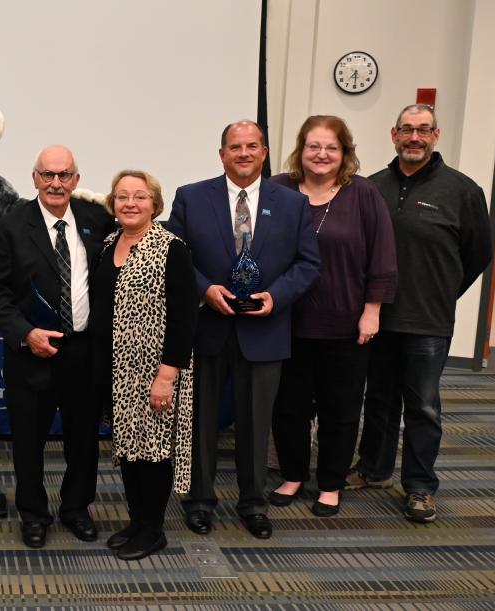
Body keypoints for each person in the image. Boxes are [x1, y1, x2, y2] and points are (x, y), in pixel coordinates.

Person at [167, 120, 320, 540]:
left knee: (256, 424)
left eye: (253, 146)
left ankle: (253, 503)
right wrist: (204, 289)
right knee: (199, 421)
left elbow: (308, 264)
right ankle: (199, 501)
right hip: (208, 327)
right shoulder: (191, 197)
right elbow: (175, 258)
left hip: (265, 328)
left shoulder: (292, 203)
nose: (244, 153)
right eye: (235, 147)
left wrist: (278, 297)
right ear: (222, 154)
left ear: (265, 152)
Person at [347, 104, 494, 523]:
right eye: (407, 130)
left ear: (436, 135)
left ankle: (420, 486)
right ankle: (373, 469)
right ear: (393, 135)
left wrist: (445, 291)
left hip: (428, 320)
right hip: (377, 316)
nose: (415, 137)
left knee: (423, 405)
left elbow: (478, 253)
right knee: (377, 398)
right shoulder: (370, 187)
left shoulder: (462, 190)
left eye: (423, 130)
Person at [0, 145, 115, 549]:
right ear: (35, 178)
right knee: (28, 442)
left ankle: (76, 509)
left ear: (76, 179)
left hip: (84, 351)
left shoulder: (97, 220)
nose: (56, 183)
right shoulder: (10, 226)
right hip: (33, 351)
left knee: (83, 440)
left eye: (64, 175)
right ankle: (34, 514)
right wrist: (26, 333)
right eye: (47, 174)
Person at [268, 116, 398, 517]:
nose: (321, 155)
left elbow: (382, 254)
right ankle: (292, 475)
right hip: (285, 322)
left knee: (339, 409)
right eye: (313, 146)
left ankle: (330, 483)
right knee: (288, 406)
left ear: (344, 153)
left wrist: (372, 310)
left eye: (331, 147)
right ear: (300, 149)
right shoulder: (278, 188)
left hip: (344, 323)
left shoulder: (363, 193)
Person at [90, 170, 197, 561]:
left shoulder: (171, 247)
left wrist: (167, 375)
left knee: (153, 452)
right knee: (129, 450)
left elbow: (185, 318)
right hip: (118, 374)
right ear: (112, 204)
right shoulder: (107, 244)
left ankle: (153, 530)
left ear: (155, 203)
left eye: (139, 196)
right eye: (122, 196)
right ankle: (137, 522)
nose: (130, 203)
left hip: (155, 372)